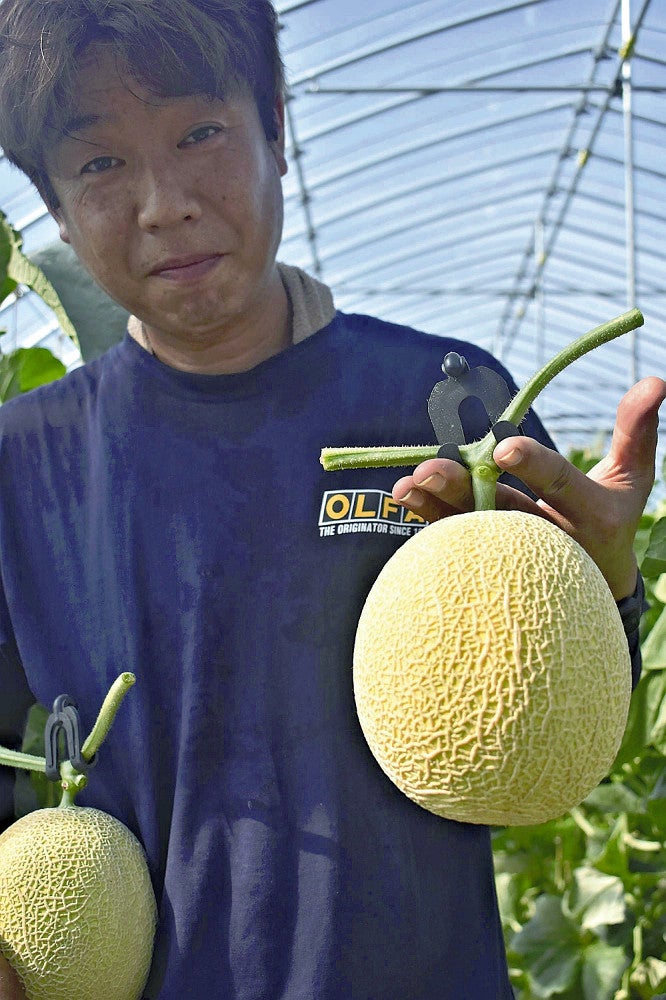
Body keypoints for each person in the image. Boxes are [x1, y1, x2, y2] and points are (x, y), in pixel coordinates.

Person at [0, 1, 663, 997]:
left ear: (275, 120)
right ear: (50, 203)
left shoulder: (451, 399)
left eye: (198, 134)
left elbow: (562, 753)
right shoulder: (19, 462)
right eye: (99, 165)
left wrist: (608, 591)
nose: (162, 202)